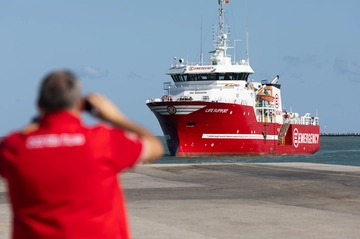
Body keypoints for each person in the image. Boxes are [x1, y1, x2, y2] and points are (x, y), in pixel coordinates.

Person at [0, 70, 164, 239]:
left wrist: (35, 126)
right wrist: (114, 117)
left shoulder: (14, 147)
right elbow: (155, 147)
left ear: (39, 105)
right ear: (80, 104)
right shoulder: (101, 141)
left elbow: (18, 142)